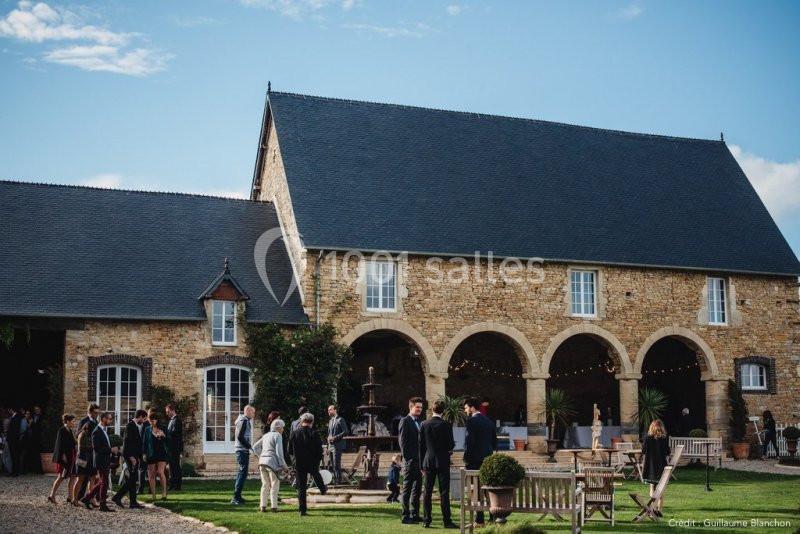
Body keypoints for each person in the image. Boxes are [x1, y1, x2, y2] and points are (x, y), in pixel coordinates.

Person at [420, 399, 457, 529]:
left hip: (428, 461)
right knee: (444, 492)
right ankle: (447, 521)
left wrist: (421, 465)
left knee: (427, 492)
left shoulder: (424, 424)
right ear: (444, 411)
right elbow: (450, 444)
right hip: (442, 461)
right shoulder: (446, 425)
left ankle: (426, 520)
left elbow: (421, 446)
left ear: (432, 410)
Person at [463, 397, 496, 526]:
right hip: (488, 459)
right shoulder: (489, 421)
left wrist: (466, 458)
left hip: (474, 461)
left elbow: (469, 442)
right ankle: (492, 517)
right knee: (488, 489)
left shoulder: (471, 421)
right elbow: (494, 442)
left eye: (466, 407)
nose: (465, 410)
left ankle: (479, 519)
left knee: (476, 491)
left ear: (472, 407)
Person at [287, 412, 327, 516]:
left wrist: (294, 460)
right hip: (312, 461)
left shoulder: (294, 433)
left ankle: (302, 510)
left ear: (301, 421)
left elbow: (289, 450)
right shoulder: (314, 433)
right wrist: (317, 460)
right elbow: (319, 451)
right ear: (312, 422)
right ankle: (322, 488)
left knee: (301, 487)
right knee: (316, 473)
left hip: (299, 462)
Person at [80, 411, 118, 512]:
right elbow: (96, 448)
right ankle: (102, 505)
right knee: (104, 483)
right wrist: (111, 450)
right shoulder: (96, 431)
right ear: (103, 419)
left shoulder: (104, 430)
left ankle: (87, 498)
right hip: (101, 460)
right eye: (109, 419)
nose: (110, 421)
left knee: (102, 482)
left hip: (105, 459)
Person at [111, 409, 147, 509]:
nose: (144, 421)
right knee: (132, 479)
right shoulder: (130, 426)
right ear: (140, 416)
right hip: (131, 456)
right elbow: (127, 442)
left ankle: (133, 502)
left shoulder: (136, 426)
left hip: (135, 456)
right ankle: (118, 497)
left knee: (133, 478)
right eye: (144, 418)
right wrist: (131, 457)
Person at [253, 418, 288, 512]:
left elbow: (255, 447)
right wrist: (284, 466)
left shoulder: (266, 435)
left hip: (262, 462)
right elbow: (279, 453)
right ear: (278, 427)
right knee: (274, 484)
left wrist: (261, 455)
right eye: (282, 427)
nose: (283, 429)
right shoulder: (277, 436)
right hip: (272, 463)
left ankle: (262, 506)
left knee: (265, 485)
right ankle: (274, 507)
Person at [398, 396, 424, 524]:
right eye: (417, 407)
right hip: (409, 462)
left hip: (419, 462)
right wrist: (408, 460)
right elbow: (402, 442)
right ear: (411, 407)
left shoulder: (420, 422)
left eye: (421, 407)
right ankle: (405, 515)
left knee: (417, 489)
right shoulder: (405, 421)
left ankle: (415, 514)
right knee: (407, 489)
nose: (419, 409)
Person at [642, 419, 671, 517]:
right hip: (662, 466)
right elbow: (668, 452)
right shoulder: (664, 438)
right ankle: (660, 510)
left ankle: (653, 508)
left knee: (652, 487)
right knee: (661, 488)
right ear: (661, 427)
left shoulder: (647, 438)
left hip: (650, 466)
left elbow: (643, 451)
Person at [48, 414, 77, 504]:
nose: (74, 423)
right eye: (73, 421)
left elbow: (73, 443)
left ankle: (70, 497)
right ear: (67, 421)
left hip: (72, 457)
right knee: (61, 476)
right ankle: (52, 495)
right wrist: (63, 456)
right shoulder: (62, 430)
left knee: (73, 477)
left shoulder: (70, 431)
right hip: (65, 458)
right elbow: (59, 444)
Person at [75, 403, 100, 500]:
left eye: (98, 413)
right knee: (82, 478)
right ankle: (78, 497)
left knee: (92, 478)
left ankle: (89, 498)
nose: (97, 414)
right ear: (90, 411)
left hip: (92, 454)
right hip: (83, 454)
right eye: (95, 412)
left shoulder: (96, 422)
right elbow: (77, 435)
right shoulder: (83, 421)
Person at [143, 409, 169, 501]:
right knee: (151, 475)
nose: (152, 422)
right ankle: (153, 495)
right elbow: (144, 443)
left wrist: (164, 436)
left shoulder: (164, 428)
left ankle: (164, 493)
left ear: (157, 420)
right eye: (150, 421)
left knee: (160, 472)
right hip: (151, 454)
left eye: (153, 420)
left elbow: (169, 441)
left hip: (161, 453)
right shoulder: (147, 430)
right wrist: (144, 454)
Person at [231, 405, 255, 505]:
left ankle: (238, 496)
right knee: (242, 473)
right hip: (241, 450)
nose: (254, 414)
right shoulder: (244, 421)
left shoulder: (245, 421)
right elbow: (240, 437)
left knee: (243, 473)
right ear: (248, 411)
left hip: (243, 450)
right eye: (253, 412)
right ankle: (235, 497)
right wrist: (249, 446)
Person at [71, 422, 95, 506]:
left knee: (91, 480)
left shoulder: (86, 434)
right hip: (82, 460)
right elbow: (84, 449)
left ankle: (91, 498)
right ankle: (74, 499)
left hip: (87, 460)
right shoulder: (83, 435)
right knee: (80, 480)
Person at [326, 404, 348, 484]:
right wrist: (328, 447)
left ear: (335, 410)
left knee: (336, 464)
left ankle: (338, 482)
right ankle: (335, 481)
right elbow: (329, 434)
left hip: (338, 445)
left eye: (330, 409)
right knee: (332, 465)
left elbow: (345, 432)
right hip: (331, 446)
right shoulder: (330, 421)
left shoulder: (340, 419)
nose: (329, 411)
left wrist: (335, 438)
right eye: (328, 410)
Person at [166, 404, 183, 491]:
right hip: (170, 448)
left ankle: (177, 486)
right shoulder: (171, 420)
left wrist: (165, 434)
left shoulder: (177, 420)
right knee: (171, 467)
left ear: (172, 410)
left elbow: (176, 434)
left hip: (175, 447)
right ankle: (172, 484)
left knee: (176, 467)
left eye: (168, 412)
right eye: (167, 412)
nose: (167, 413)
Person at [7, 407, 23, 477]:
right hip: (13, 440)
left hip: (14, 441)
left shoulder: (16, 418)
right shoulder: (14, 417)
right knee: (13, 456)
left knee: (15, 456)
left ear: (11, 409)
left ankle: (15, 472)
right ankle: (14, 471)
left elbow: (15, 431)